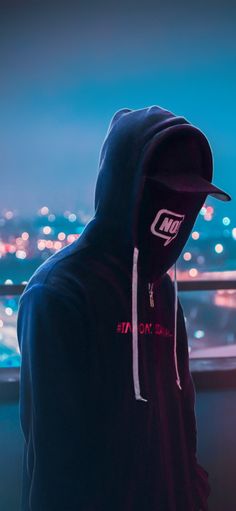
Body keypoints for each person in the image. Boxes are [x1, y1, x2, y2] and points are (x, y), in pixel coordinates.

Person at [17, 105, 231, 511]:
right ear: (125, 187)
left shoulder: (162, 290)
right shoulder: (57, 293)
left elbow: (183, 427)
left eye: (190, 199)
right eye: (167, 193)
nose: (179, 214)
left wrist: (192, 492)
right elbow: (55, 463)